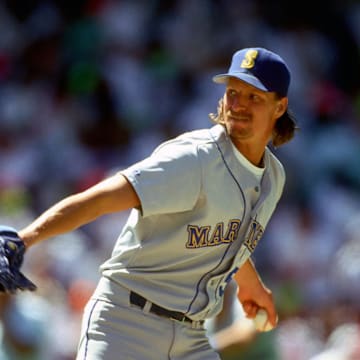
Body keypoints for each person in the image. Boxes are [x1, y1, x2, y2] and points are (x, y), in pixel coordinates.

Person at [1, 47, 297, 359]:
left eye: (254, 97)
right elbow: (98, 200)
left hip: (191, 336)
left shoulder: (273, 177)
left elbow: (230, 236)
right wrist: (25, 238)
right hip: (126, 323)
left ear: (279, 107)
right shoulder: (194, 158)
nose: (238, 105)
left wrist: (251, 285)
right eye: (233, 92)